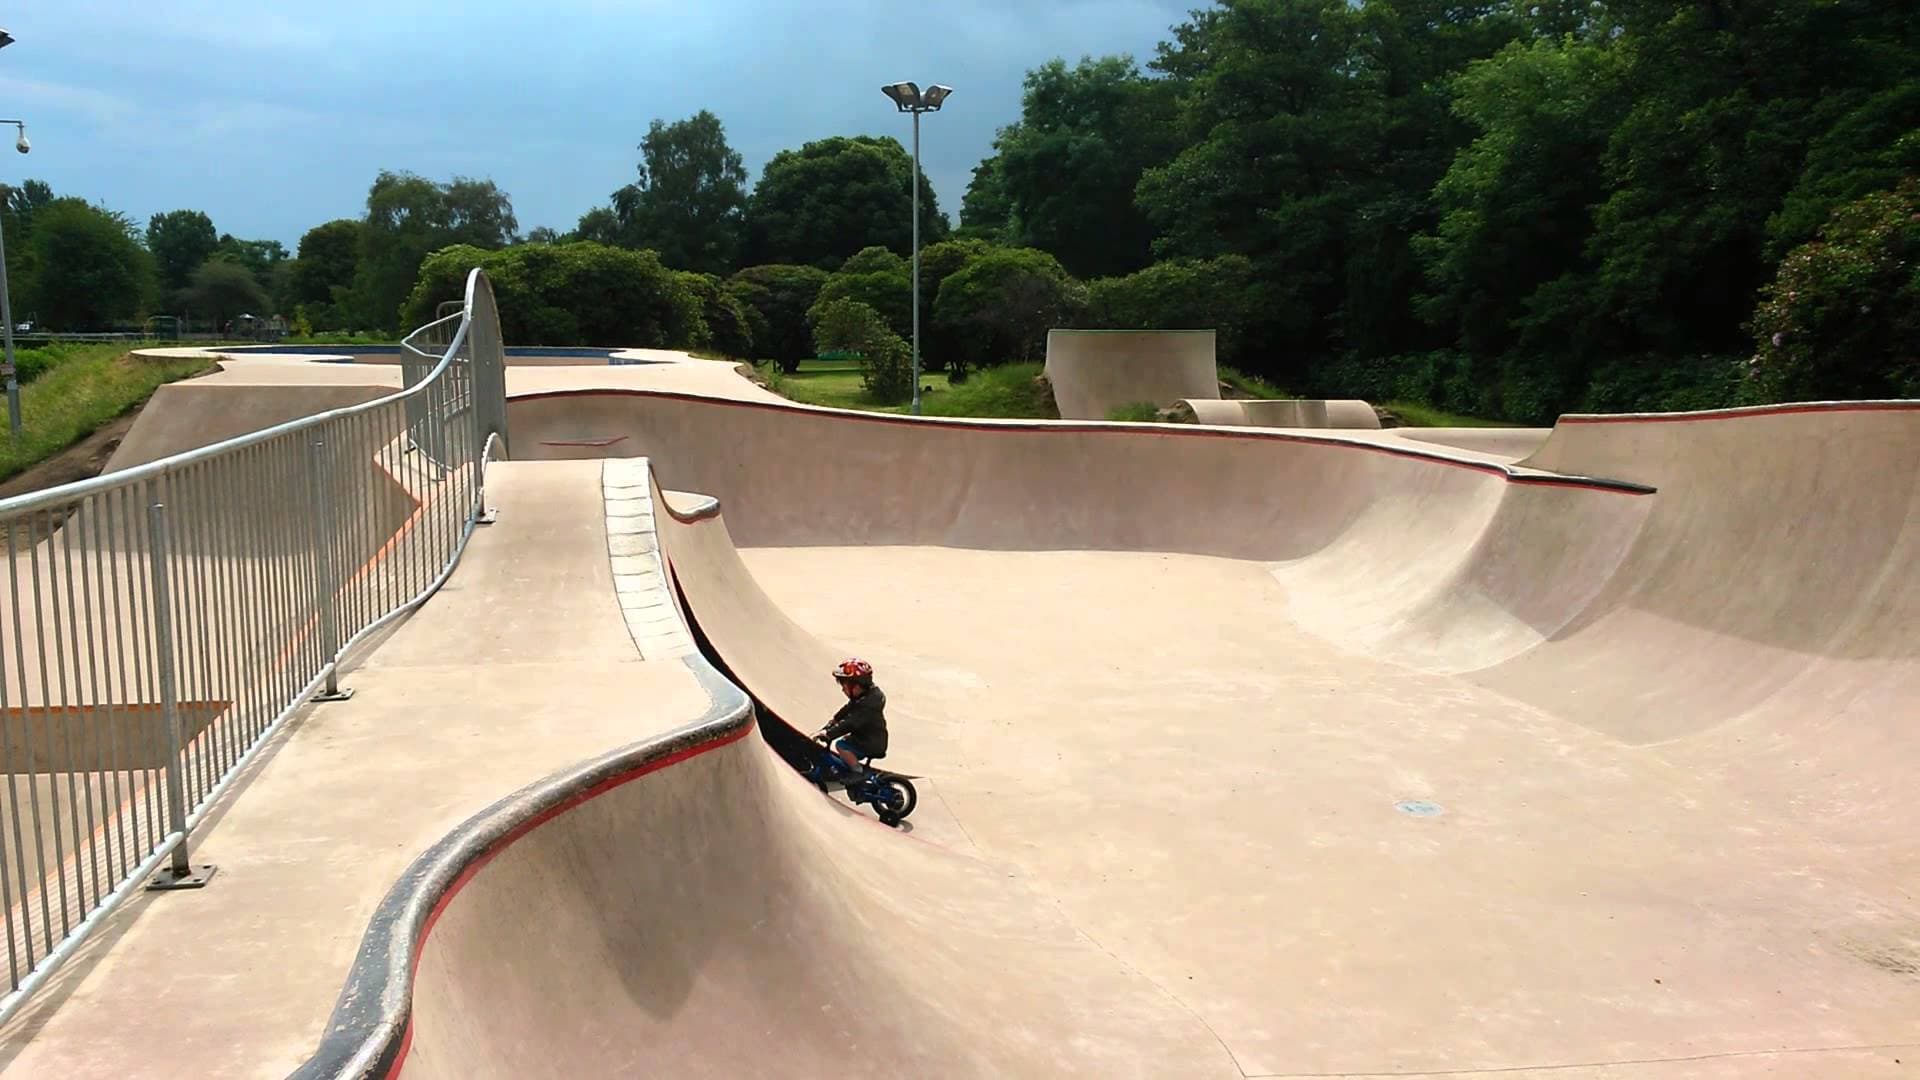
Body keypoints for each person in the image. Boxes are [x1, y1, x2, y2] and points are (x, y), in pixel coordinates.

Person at [813, 658, 888, 777]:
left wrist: (829, 734)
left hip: (872, 743)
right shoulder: (863, 698)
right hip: (866, 737)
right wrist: (834, 720)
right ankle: (853, 769)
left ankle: (857, 772)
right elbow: (847, 709)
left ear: (856, 686)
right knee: (845, 744)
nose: (843, 689)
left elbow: (850, 723)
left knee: (841, 745)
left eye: (845, 686)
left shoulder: (867, 707)